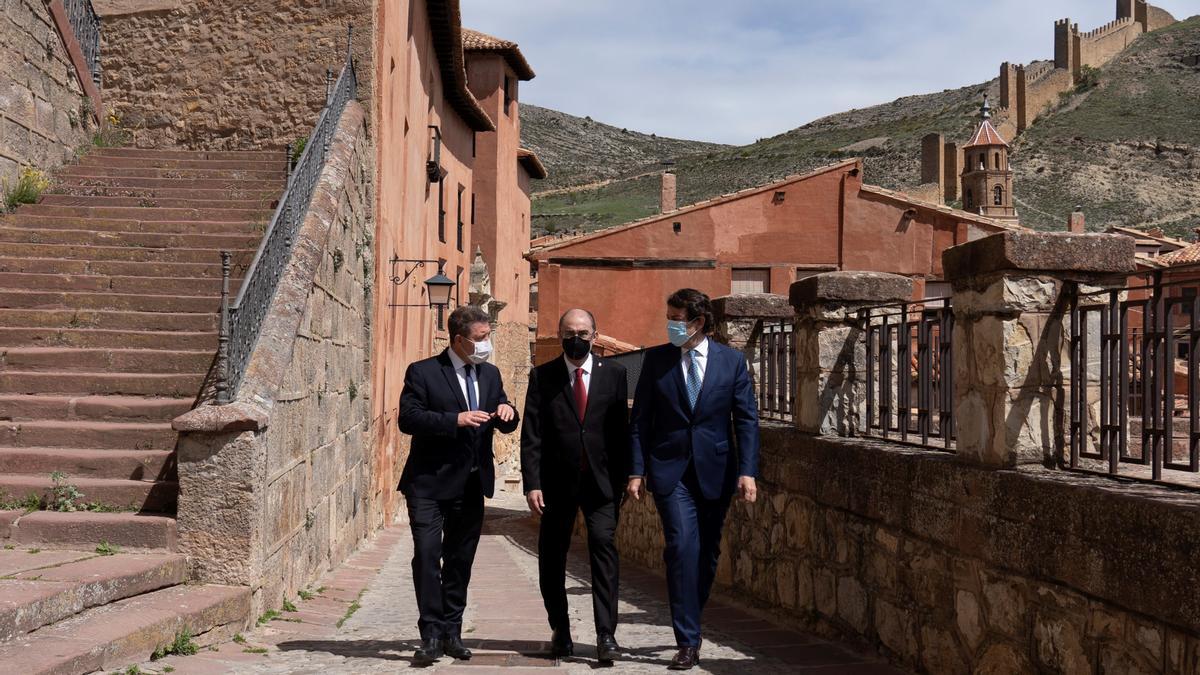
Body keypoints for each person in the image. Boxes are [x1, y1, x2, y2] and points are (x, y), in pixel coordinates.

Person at [627, 288, 760, 671]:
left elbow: (746, 420)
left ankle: (691, 617)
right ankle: (687, 640)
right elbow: (640, 422)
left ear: (698, 322)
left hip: (717, 471)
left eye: (677, 318)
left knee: (707, 553)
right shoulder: (655, 361)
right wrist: (637, 470)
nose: (670, 324)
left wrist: (747, 470)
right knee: (682, 547)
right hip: (670, 471)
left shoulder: (731, 362)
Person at [398, 305, 520, 664]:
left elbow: (502, 413)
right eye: (481, 339)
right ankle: (431, 634)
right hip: (429, 483)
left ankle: (452, 631)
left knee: (460, 560)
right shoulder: (423, 372)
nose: (487, 344)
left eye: (488, 337)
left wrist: (508, 411)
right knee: (426, 556)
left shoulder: (491, 374)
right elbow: (409, 418)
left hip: (470, 483)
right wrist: (455, 419)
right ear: (459, 340)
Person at [521, 308, 630, 664]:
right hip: (555, 485)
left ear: (595, 336)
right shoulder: (542, 377)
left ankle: (606, 635)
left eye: (583, 333)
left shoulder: (615, 374)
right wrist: (532, 483)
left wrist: (628, 476)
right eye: (570, 332)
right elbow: (532, 436)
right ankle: (561, 631)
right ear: (559, 334)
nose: (576, 339)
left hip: (602, 485)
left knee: (604, 551)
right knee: (551, 559)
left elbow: (620, 433)